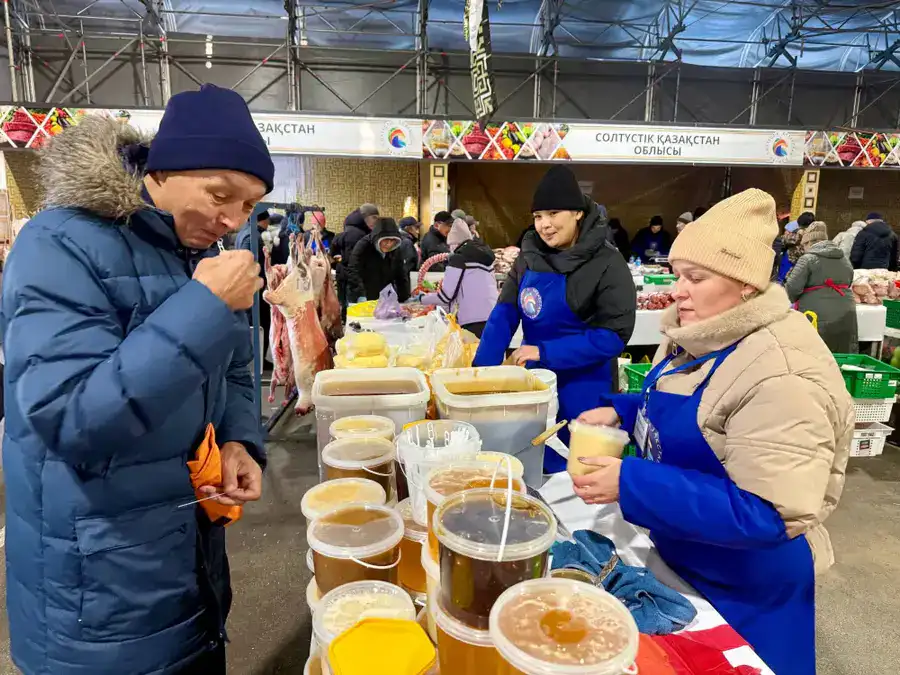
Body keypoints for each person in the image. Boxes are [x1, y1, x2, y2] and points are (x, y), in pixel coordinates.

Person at [0, 84, 271, 675]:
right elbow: (70, 419)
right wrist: (202, 302)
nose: (232, 219)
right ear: (163, 169)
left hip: (184, 559)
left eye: (250, 206)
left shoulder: (198, 252)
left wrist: (237, 438)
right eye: (220, 194)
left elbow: (238, 363)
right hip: (94, 593)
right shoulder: (59, 244)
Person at [574, 189, 852, 675]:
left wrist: (631, 482)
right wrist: (624, 411)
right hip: (685, 558)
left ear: (746, 284)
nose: (678, 290)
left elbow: (768, 512)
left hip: (746, 586)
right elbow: (702, 408)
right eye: (678, 274)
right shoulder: (702, 331)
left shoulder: (782, 375)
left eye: (695, 278)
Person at [473, 165, 636, 473]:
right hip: (534, 383)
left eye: (553, 213)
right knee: (530, 462)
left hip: (584, 383)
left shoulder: (607, 262)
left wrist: (545, 352)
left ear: (577, 213)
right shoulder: (529, 255)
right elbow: (504, 315)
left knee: (581, 472)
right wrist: (481, 375)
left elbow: (613, 337)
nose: (544, 225)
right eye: (537, 216)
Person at [785, 221, 857, 352]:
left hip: (816, 314)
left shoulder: (808, 259)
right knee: (840, 354)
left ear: (808, 243)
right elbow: (849, 281)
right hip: (846, 313)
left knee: (814, 353)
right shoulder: (844, 259)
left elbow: (792, 288)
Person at [421, 218, 498, 337]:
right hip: (492, 316)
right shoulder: (484, 256)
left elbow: (446, 296)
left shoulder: (458, 259)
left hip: (471, 320)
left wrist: (421, 299)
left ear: (454, 243)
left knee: (470, 354)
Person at [347, 216, 412, 303]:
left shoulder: (396, 250)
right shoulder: (363, 245)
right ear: (377, 238)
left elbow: (401, 274)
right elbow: (353, 270)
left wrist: (405, 297)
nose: (388, 244)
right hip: (363, 294)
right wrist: (360, 295)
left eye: (392, 240)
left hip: (384, 296)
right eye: (385, 240)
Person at [236, 209, 272, 361]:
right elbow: (248, 264)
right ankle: (256, 361)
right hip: (254, 290)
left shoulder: (243, 233)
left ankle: (256, 360)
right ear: (264, 220)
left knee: (254, 325)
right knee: (259, 325)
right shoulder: (254, 236)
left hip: (249, 289)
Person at [331, 203, 379, 316]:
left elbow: (332, 255)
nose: (376, 221)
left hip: (343, 276)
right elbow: (356, 262)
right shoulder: (360, 235)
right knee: (355, 312)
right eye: (374, 217)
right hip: (355, 281)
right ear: (364, 217)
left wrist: (339, 263)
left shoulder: (346, 232)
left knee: (345, 307)